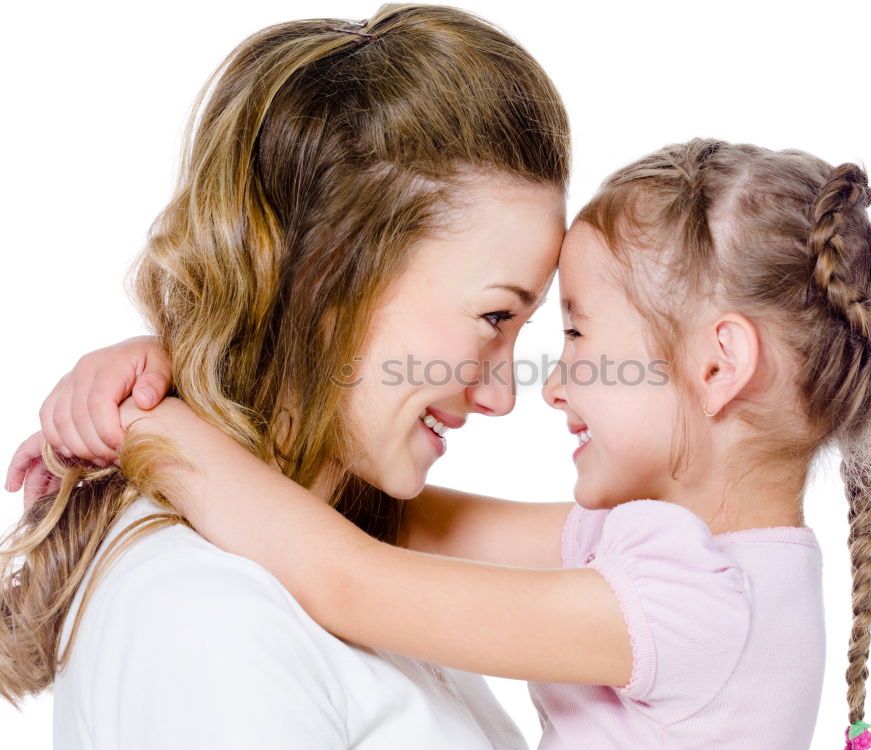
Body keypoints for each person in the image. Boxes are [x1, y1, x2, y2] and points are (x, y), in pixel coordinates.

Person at [12, 139, 871, 748]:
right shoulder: (696, 557)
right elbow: (395, 524)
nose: (548, 384)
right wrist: (190, 367)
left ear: (719, 367)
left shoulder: (703, 605)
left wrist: (147, 424)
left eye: (577, 335)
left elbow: (351, 577)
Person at [0, 6, 571, 748]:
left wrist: (161, 417)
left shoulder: (352, 560)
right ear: (331, 282)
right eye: (495, 317)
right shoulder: (209, 614)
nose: (501, 395)